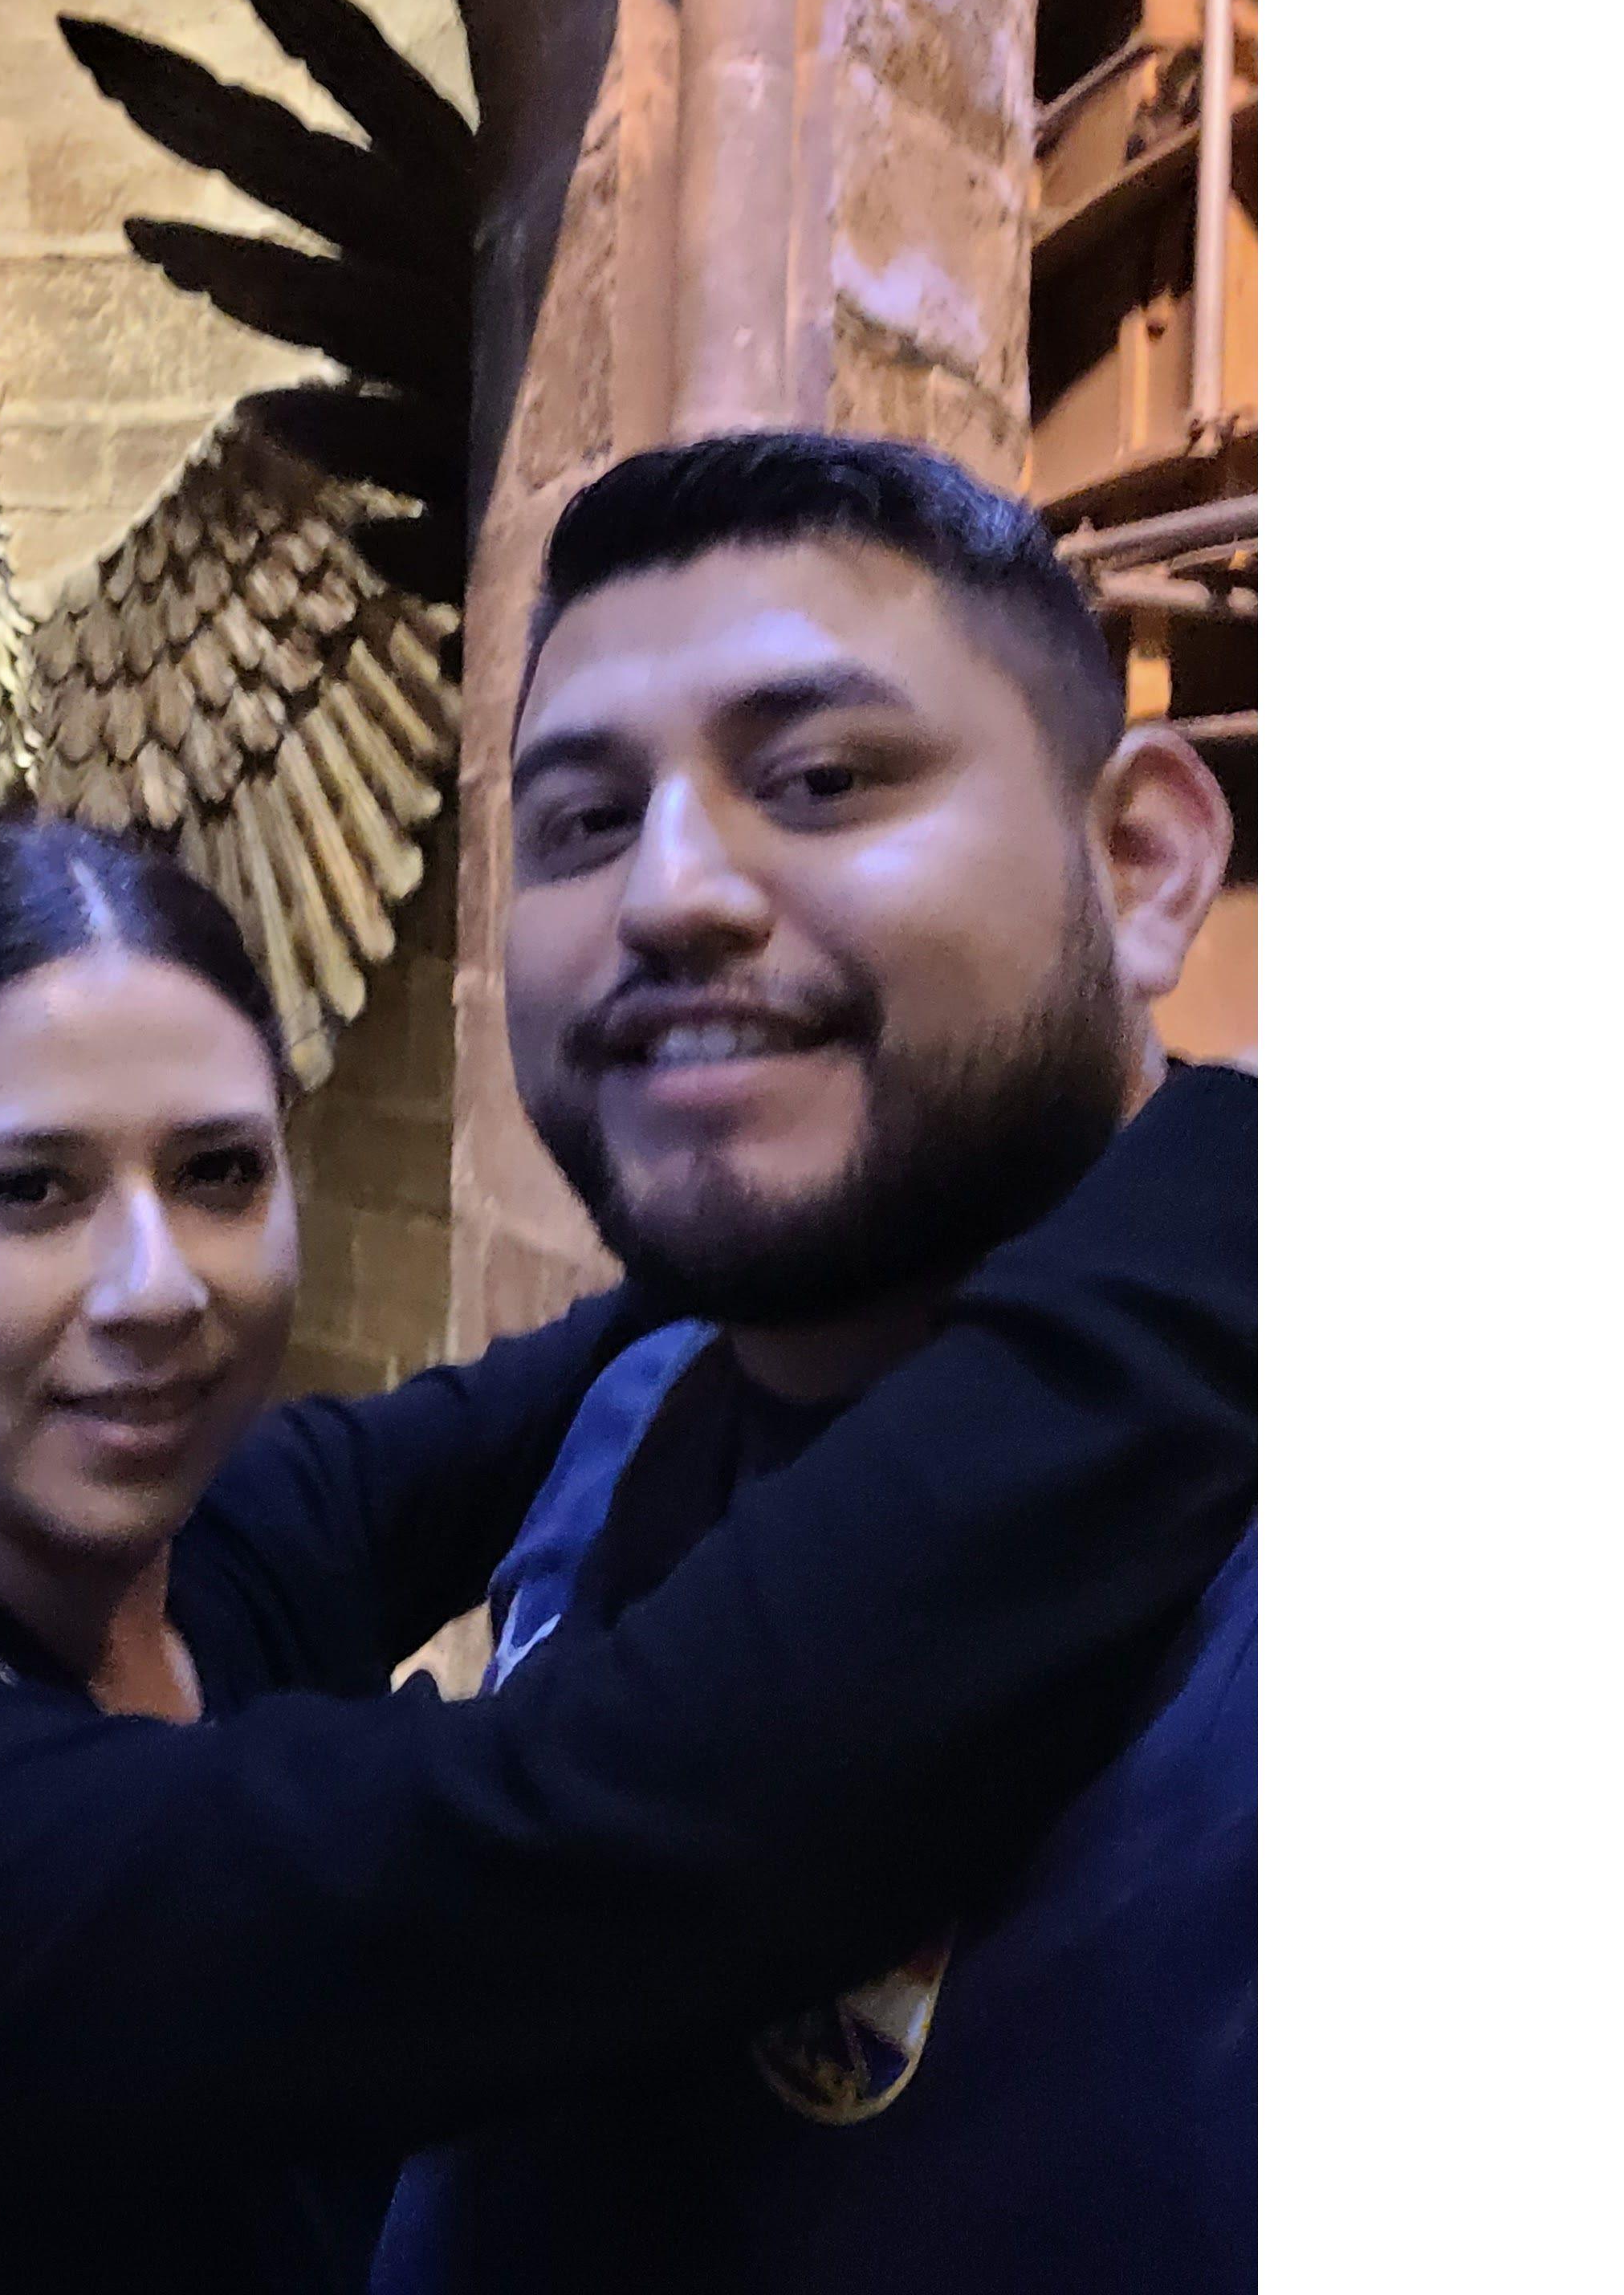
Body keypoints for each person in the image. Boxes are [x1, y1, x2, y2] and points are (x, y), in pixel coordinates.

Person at [0, 808, 1252, 2294]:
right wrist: (1243, 1161)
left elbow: (602, 1352)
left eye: (218, 1172)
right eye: (29, 1190)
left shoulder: (197, 1564)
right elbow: (638, 1810)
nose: (154, 1287)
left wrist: (929, 1116)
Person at [372, 430, 1256, 2294]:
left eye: (823, 779)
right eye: (582, 822)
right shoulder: (628, 1418)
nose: (669, 894)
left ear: (1144, 864)